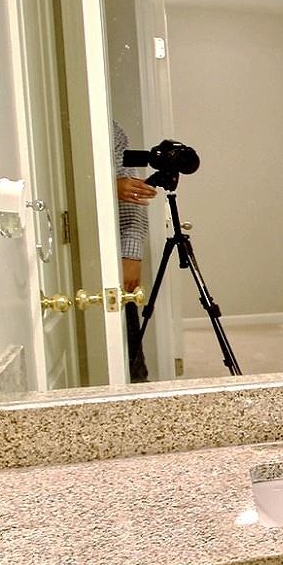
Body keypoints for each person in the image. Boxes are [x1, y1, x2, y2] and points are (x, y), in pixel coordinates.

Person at [112, 121, 155, 381]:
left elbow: (131, 194)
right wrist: (111, 187)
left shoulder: (111, 130)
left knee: (128, 352)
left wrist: (131, 254)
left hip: (109, 251)